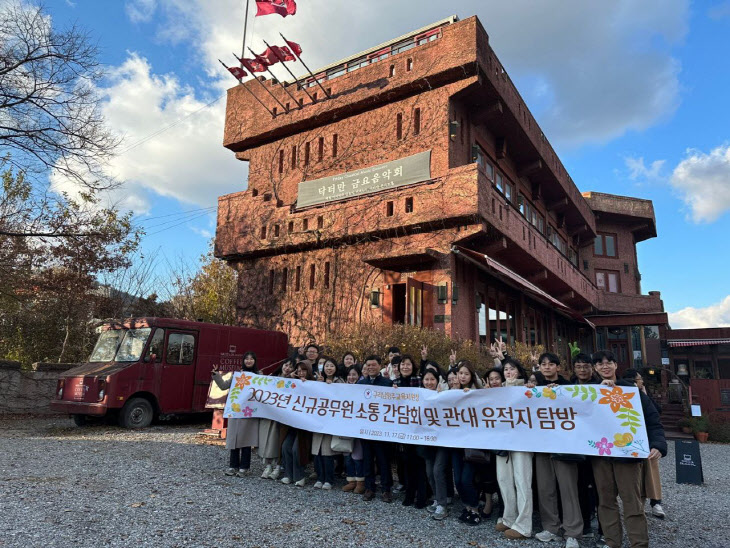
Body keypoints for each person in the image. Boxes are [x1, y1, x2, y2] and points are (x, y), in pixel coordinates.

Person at [591, 351, 667, 548]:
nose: (604, 366)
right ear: (595, 368)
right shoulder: (588, 392)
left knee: (632, 502)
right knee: (606, 501)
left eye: (609, 362)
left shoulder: (630, 391)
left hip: (628, 454)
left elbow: (652, 419)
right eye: (600, 364)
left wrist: (658, 444)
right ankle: (612, 542)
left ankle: (639, 543)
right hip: (601, 455)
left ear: (616, 365)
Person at [533, 353, 582, 548]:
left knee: (568, 489)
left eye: (550, 364)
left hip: (564, 445)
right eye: (543, 364)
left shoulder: (569, 387)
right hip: (541, 444)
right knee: (545, 489)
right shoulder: (534, 387)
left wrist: (561, 391)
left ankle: (572, 531)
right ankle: (550, 527)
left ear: (558, 368)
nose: (546, 367)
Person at [495, 358, 533, 540]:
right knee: (504, 479)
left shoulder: (527, 389)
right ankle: (509, 517)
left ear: (519, 371)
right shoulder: (496, 391)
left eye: (512, 369)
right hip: (502, 442)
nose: (509, 372)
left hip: (522, 442)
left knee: (522, 481)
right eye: (506, 370)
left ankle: (524, 525)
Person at [622, 368, 666, 520]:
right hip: (627, 442)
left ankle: (655, 502)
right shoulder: (625, 392)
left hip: (646, 441)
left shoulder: (641, 395)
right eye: (640, 380)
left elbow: (655, 414)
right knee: (637, 477)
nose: (642, 382)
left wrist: (658, 443)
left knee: (651, 474)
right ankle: (644, 506)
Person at [211, 351, 259, 477]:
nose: (249, 361)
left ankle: (244, 467)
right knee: (234, 439)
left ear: (255, 361)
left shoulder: (259, 376)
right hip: (235, 410)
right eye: (246, 358)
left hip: (249, 412)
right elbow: (223, 386)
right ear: (243, 360)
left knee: (246, 440)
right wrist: (216, 375)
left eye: (251, 359)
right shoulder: (237, 375)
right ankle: (233, 466)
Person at [570, 353, 600, 538]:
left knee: (597, 484)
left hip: (598, 444)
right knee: (580, 483)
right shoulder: (567, 386)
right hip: (576, 443)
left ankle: (601, 523)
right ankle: (585, 522)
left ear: (592, 368)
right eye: (578, 366)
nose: (582, 370)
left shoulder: (601, 387)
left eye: (585, 366)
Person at [358, 355, 394, 502]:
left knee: (383, 461)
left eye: (374, 365)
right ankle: (369, 488)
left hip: (382, 430)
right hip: (365, 430)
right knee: (367, 460)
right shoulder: (361, 384)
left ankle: (386, 489)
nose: (371, 367)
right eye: (368, 365)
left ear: (380, 366)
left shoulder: (388, 384)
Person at [451, 361, 483, 526]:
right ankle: (467, 508)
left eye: (466, 373)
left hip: (472, 445)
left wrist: (471, 395)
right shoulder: (452, 393)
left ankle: (475, 509)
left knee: (466, 479)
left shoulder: (478, 393)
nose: (462, 376)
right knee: (458, 480)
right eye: (460, 373)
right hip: (456, 444)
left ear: (471, 376)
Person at [394, 355, 427, 508]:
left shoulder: (420, 382)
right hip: (403, 431)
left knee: (420, 464)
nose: (405, 367)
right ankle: (409, 494)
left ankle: (421, 496)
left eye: (408, 364)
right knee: (407, 464)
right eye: (402, 364)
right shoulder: (394, 384)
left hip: (419, 430)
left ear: (413, 366)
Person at [421, 369, 450, 521]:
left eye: (432, 379)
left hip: (443, 441)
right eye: (426, 379)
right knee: (429, 472)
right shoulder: (418, 396)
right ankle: (437, 499)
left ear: (437, 381)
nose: (429, 382)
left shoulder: (444, 395)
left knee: (438, 470)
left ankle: (443, 505)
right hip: (427, 441)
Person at [280, 361, 314, 487]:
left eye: (303, 370)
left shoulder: (314, 383)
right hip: (292, 424)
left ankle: (299, 476)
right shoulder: (293, 382)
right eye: (298, 370)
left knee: (297, 449)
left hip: (305, 426)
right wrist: (291, 378)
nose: (301, 373)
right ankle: (288, 475)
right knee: (285, 447)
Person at [259, 359, 294, 480]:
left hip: (283, 417)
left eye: (290, 366)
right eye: (286, 365)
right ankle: (268, 465)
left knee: (279, 441)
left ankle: (278, 466)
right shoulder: (272, 378)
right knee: (268, 440)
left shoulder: (294, 382)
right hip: (269, 415)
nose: (287, 368)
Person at [311, 357, 342, 490]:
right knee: (316, 451)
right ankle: (319, 477)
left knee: (327, 452)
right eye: (326, 366)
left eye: (331, 366)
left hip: (332, 421)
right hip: (318, 420)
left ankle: (329, 479)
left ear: (336, 368)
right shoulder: (318, 380)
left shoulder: (340, 381)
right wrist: (319, 384)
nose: (329, 368)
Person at [342, 364, 366, 494]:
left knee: (357, 455)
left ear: (359, 376)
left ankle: (360, 482)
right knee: (347, 454)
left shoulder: (363, 388)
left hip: (358, 427)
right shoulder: (342, 388)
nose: (351, 377)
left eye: (354, 375)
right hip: (346, 426)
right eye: (349, 374)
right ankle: (350, 480)